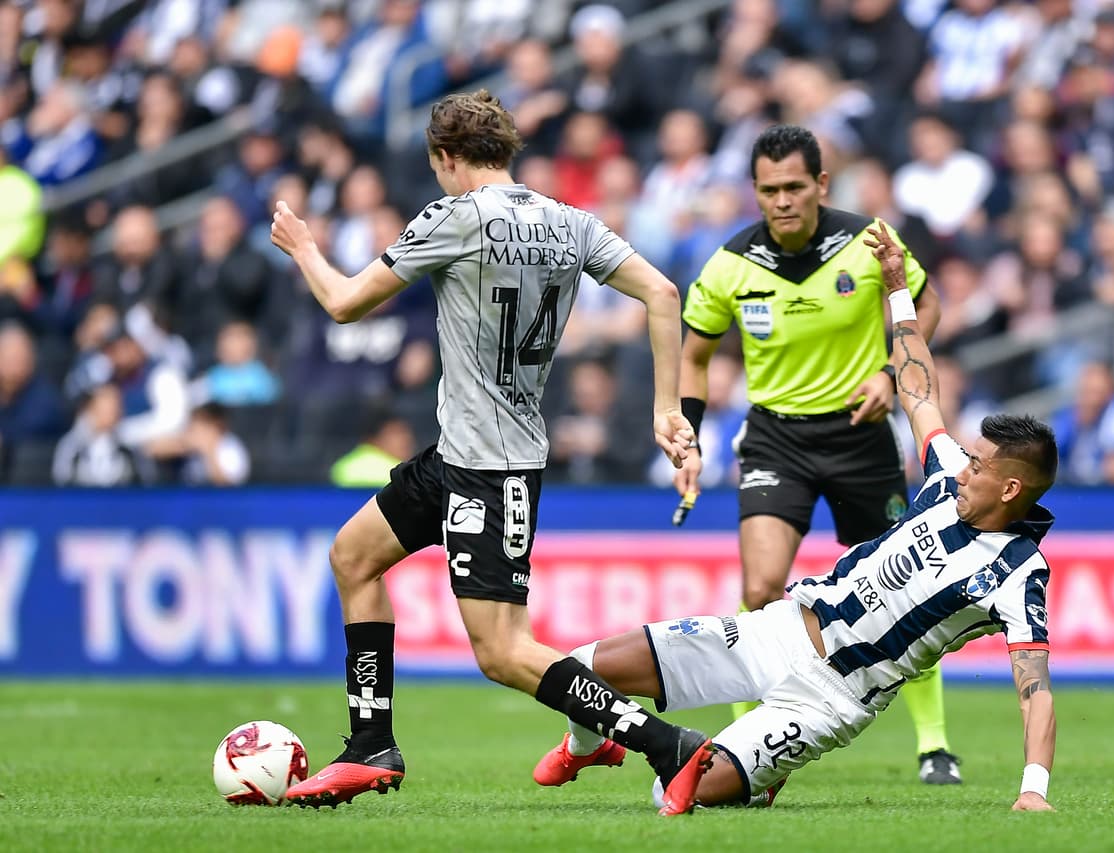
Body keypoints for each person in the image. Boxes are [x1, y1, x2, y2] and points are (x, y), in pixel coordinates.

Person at [269, 90, 714, 815]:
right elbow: (665, 293)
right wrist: (669, 409)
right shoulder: (572, 222)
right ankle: (370, 743)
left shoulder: (455, 217)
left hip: (491, 466)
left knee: (504, 649)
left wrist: (306, 251)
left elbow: (346, 302)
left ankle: (670, 745)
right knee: (354, 556)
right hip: (460, 453)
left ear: (445, 159)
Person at [534, 221, 1059, 813]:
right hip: (777, 631)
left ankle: (755, 772)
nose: (963, 466)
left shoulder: (1018, 574)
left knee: (675, 794)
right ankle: (589, 746)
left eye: (979, 466)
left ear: (1010, 486)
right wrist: (896, 289)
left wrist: (1033, 792)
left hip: (829, 698)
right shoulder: (945, 476)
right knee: (577, 669)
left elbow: (1033, 687)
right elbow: (917, 387)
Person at [675, 124, 963, 784]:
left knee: (905, 594)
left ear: (821, 185)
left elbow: (926, 303)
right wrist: (689, 430)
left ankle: (934, 745)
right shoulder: (729, 265)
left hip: (861, 437)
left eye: (794, 187)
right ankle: (742, 741)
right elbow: (694, 355)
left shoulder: (869, 242)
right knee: (757, 587)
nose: (782, 201)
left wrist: (893, 374)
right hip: (777, 437)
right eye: (769, 190)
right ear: (755, 191)